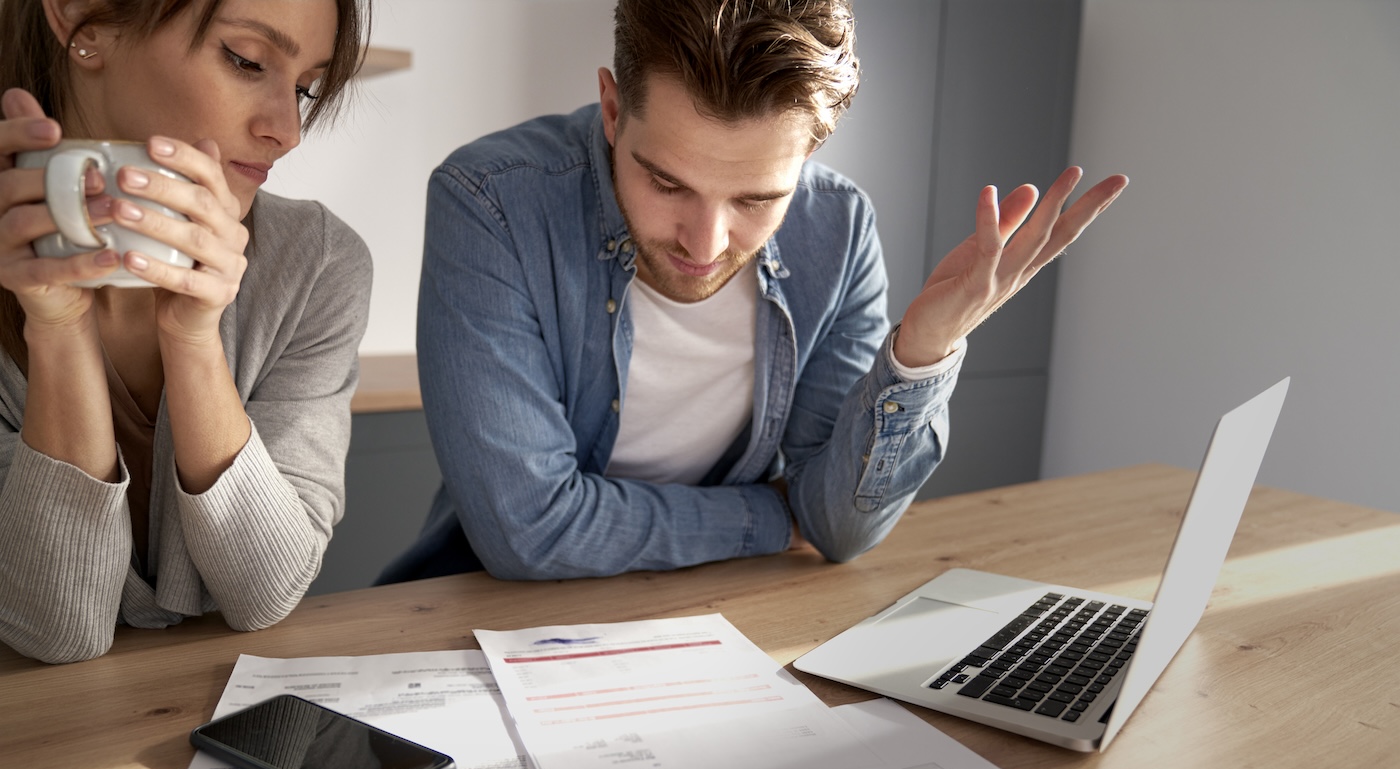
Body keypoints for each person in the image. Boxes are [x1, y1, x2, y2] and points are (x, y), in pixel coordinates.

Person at [380, 0, 1126, 584]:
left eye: (756, 199)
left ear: (808, 157)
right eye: (666, 182)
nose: (705, 246)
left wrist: (922, 353)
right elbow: (527, 531)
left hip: (719, 611)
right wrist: (769, 518)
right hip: (484, 621)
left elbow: (839, 530)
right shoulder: (492, 201)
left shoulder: (839, 229)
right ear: (612, 110)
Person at [0, 0, 373, 663]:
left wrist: (196, 341)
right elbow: (56, 628)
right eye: (246, 60)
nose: (288, 131)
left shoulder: (316, 265)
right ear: (84, 19)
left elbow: (265, 593)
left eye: (304, 88)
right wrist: (57, 330)